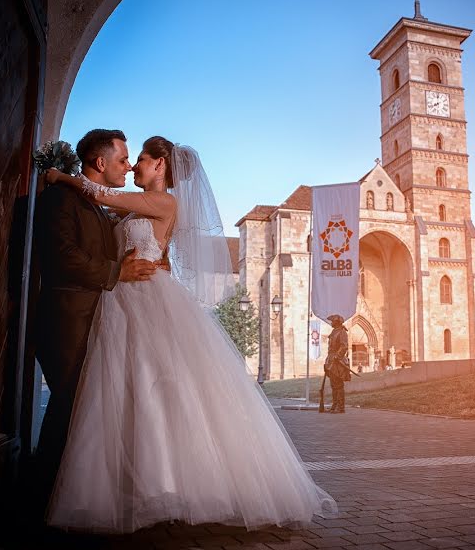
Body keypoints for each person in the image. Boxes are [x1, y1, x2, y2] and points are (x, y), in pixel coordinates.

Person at [42, 136, 337, 534]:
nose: (132, 167)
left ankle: (165, 483)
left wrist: (59, 174)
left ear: (160, 165)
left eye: (139, 160)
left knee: (155, 387)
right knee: (130, 390)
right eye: (129, 160)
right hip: (123, 299)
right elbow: (116, 220)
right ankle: (134, 483)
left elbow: (98, 192)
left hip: (146, 299)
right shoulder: (134, 208)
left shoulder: (165, 203)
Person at [30, 129, 163, 524]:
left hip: (97, 322)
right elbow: (63, 255)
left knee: (78, 415)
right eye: (123, 158)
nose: (128, 165)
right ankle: (35, 507)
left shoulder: (97, 206)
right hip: (67, 321)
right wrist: (115, 271)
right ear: (100, 163)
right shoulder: (61, 199)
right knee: (66, 409)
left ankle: (61, 502)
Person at [324, 315, 350, 413]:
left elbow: (344, 346)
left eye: (332, 321)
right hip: (331, 361)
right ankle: (334, 405)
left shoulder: (342, 332)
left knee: (338, 385)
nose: (331, 323)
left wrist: (337, 356)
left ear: (337, 322)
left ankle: (341, 407)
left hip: (338, 362)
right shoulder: (334, 332)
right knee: (333, 385)